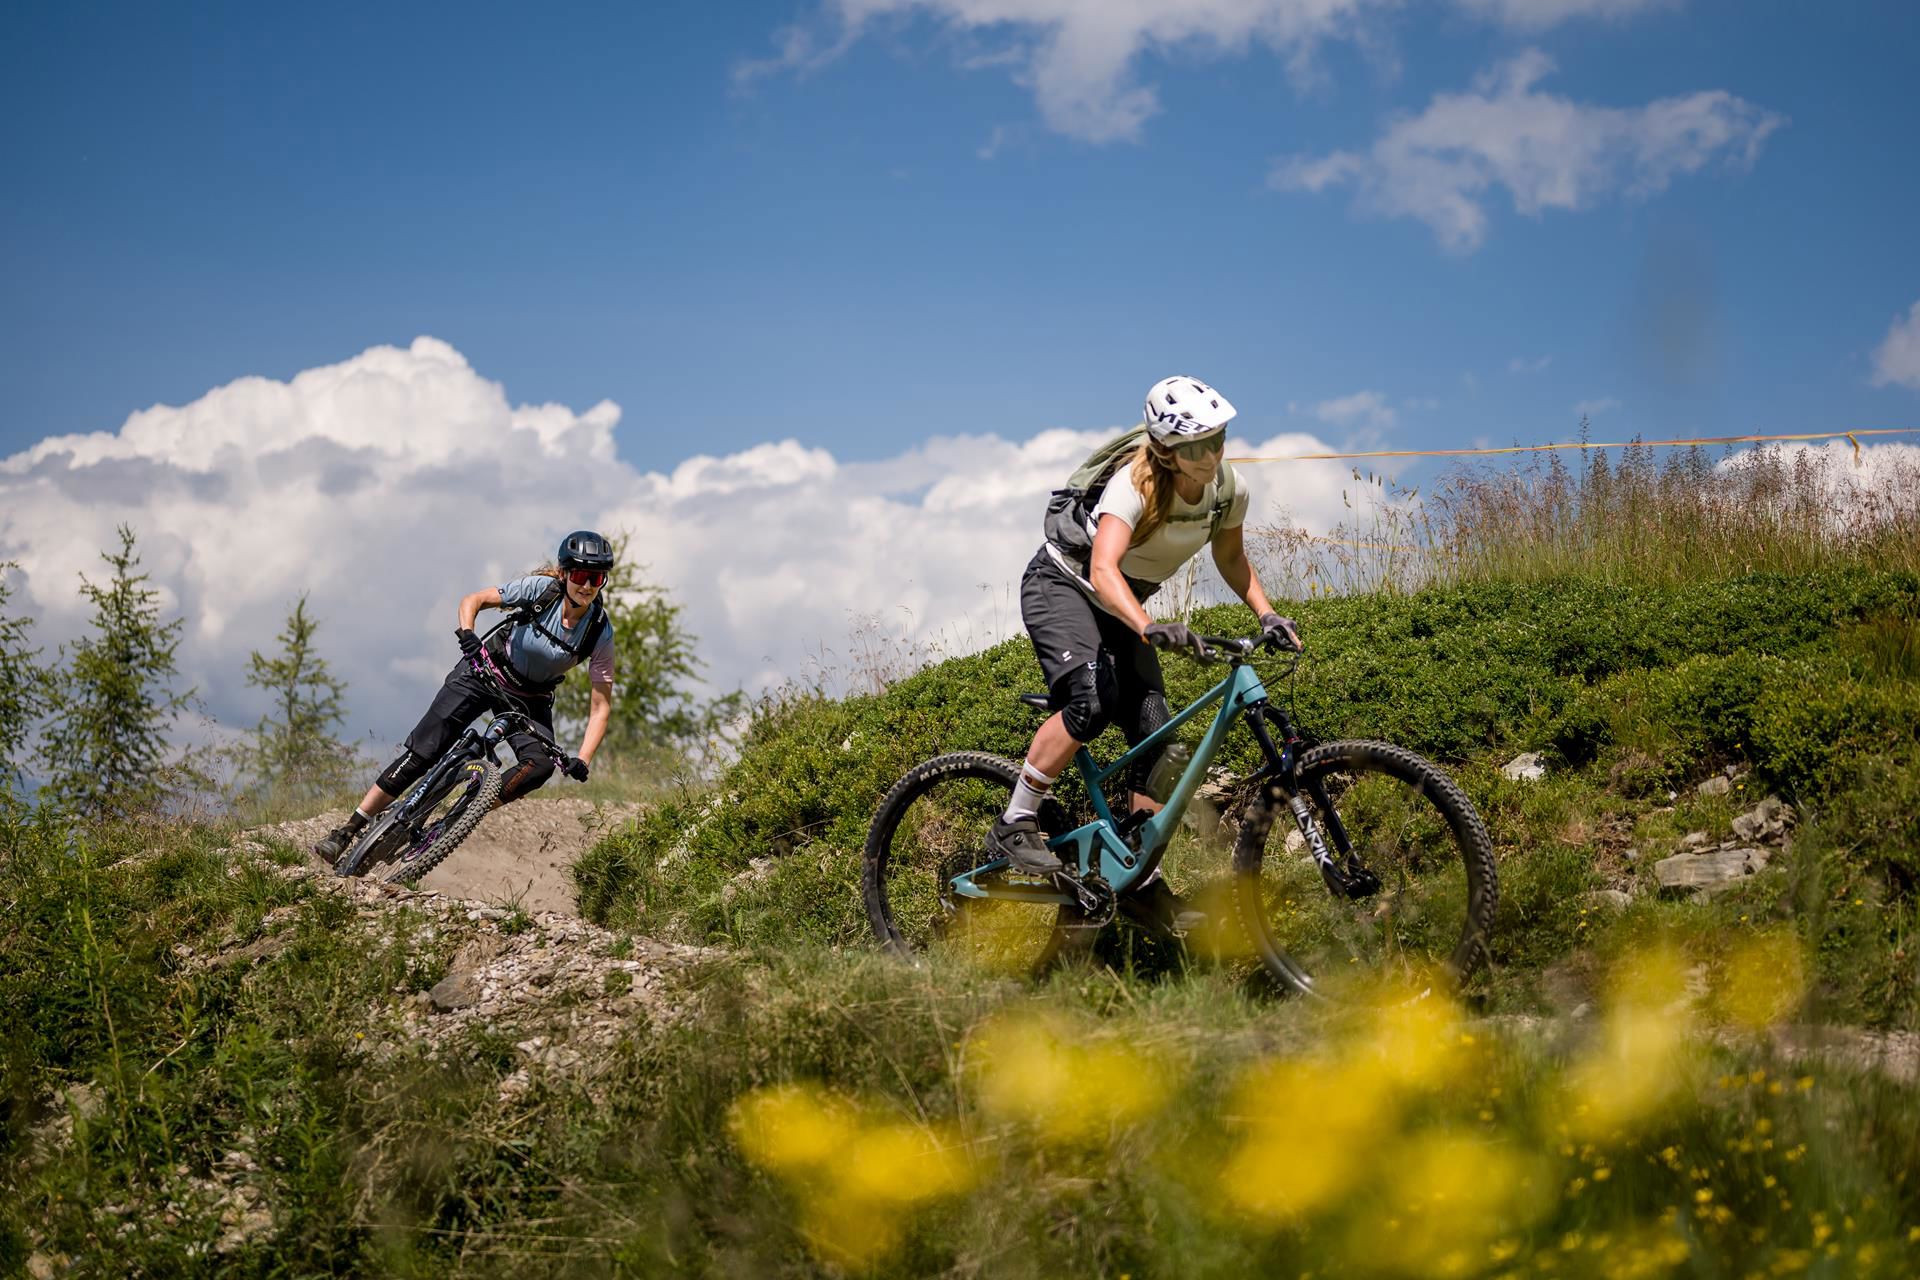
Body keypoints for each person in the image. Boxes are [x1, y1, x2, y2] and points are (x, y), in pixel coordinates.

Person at [990, 376, 1301, 926]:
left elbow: (1231, 558)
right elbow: (1103, 568)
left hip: (1123, 606)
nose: (1211, 455)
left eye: (1218, 439)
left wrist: (1267, 613)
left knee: (1156, 738)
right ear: (1166, 449)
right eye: (1196, 446)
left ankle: (1139, 882)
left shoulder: (1228, 489)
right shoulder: (1133, 487)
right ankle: (1015, 821)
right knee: (1091, 701)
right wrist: (1148, 625)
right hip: (1064, 586)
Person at [313, 530, 619, 862]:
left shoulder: (598, 631)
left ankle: (454, 820)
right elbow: (473, 600)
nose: (587, 585)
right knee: (423, 753)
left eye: (596, 578)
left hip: (529, 699)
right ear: (564, 574)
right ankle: (347, 830)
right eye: (580, 575)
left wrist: (583, 759)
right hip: (484, 671)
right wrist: (468, 635)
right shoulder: (539, 590)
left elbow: (600, 707)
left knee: (540, 766)